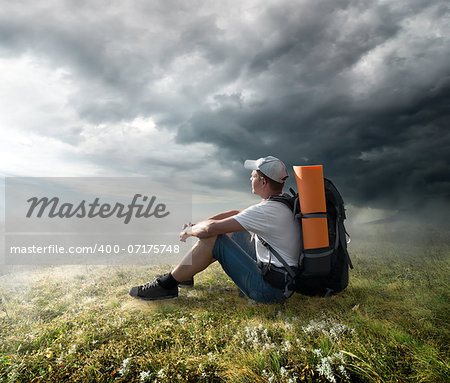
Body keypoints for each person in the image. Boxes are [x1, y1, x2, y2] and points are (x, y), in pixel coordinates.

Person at [129, 156, 300, 303]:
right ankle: (185, 275)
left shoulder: (266, 211)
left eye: (253, 175)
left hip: (270, 291)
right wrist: (198, 224)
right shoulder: (280, 203)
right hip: (281, 282)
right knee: (233, 229)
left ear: (263, 181)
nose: (250, 178)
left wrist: (188, 231)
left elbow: (210, 230)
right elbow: (236, 213)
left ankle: (166, 285)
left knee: (214, 238)